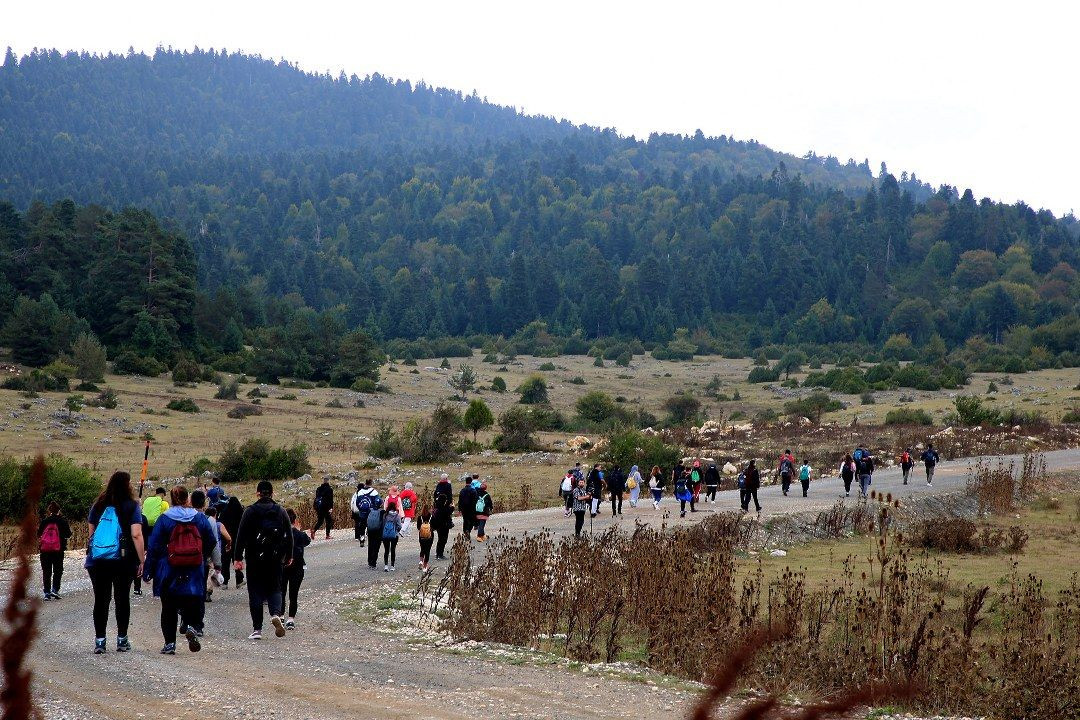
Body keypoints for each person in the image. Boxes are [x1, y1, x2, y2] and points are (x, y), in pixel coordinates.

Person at [143, 485, 216, 655]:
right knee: (191, 600)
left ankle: (170, 644)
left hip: (169, 566)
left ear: (171, 499)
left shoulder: (164, 519)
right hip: (194, 566)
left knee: (168, 606)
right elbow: (211, 540)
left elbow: (153, 547)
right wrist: (201, 555)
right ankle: (190, 625)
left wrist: (149, 570)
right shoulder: (198, 518)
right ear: (187, 499)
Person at [86, 471, 145, 654]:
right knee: (122, 599)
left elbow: (91, 534)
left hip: (98, 561)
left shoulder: (98, 505)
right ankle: (121, 639)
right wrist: (141, 559)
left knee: (101, 600)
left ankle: (100, 641)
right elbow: (136, 534)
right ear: (127, 485)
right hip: (124, 559)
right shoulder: (132, 506)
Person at [233, 481, 293, 640]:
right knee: (275, 588)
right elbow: (289, 535)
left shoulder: (249, 511)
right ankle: (275, 614)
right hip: (275, 558)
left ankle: (257, 630)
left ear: (257, 493)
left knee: (255, 592)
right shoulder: (281, 511)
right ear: (272, 494)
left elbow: (241, 536)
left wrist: (237, 558)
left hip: (254, 559)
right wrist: (289, 555)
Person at [281, 508, 310, 629]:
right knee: (294, 594)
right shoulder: (300, 535)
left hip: (282, 567)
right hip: (297, 567)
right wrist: (298, 530)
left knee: (281, 592)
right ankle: (290, 619)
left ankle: (281, 616)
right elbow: (307, 541)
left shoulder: (280, 534)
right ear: (295, 520)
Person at [39, 502, 71, 600]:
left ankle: (47, 593)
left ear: (49, 510)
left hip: (45, 550)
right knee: (58, 570)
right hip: (58, 550)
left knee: (46, 571)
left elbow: (38, 534)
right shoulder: (62, 521)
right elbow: (68, 534)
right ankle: (55, 589)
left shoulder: (45, 521)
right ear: (59, 510)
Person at [203, 506, 231, 602]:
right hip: (215, 550)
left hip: (203, 550)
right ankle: (208, 591)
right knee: (211, 570)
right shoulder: (218, 524)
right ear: (216, 514)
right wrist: (228, 545)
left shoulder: (202, 521)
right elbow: (228, 538)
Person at [219, 496, 244, 588]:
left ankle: (225, 582)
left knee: (225, 561)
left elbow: (220, 524)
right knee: (237, 559)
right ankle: (239, 580)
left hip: (226, 540)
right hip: (237, 541)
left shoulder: (225, 511)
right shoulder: (240, 512)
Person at [432, 474, 455, 560]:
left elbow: (435, 495)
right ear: (446, 479)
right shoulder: (448, 485)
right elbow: (449, 496)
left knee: (439, 538)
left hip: (438, 521)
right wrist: (451, 506)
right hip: (445, 522)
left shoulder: (438, 485)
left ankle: (438, 553)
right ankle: (440, 554)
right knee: (443, 538)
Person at [350, 480, 380, 545]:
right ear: (371, 483)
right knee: (370, 525)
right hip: (371, 512)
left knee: (362, 525)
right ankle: (370, 539)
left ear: (365, 484)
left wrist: (360, 509)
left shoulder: (360, 492)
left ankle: (362, 537)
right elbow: (378, 501)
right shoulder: (374, 492)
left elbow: (357, 502)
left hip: (362, 512)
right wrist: (375, 508)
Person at [381, 501, 402, 572]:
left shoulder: (385, 515)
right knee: (393, 550)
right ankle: (392, 566)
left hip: (385, 534)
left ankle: (386, 566)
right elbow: (399, 526)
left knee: (386, 550)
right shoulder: (397, 516)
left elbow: (382, 524)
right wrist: (396, 530)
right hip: (394, 535)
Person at [366, 501, 384, 570]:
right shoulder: (382, 512)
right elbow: (383, 523)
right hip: (378, 531)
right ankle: (373, 563)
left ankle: (369, 562)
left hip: (370, 530)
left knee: (370, 545)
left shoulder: (370, 510)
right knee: (376, 547)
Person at [416, 503, 435, 570]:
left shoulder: (419, 517)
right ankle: (425, 566)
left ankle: (421, 560)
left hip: (421, 536)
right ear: (429, 509)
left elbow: (418, 527)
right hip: (429, 536)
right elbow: (435, 526)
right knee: (428, 550)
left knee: (422, 549)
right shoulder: (431, 517)